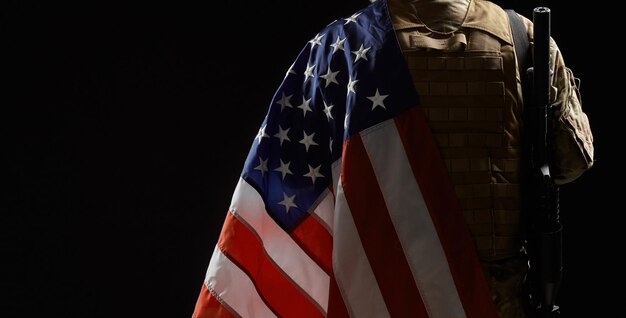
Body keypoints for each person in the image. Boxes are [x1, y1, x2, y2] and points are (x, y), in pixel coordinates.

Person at [193, 1, 594, 317]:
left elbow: (287, 196)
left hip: (384, 299)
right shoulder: (523, 38)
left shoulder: (342, 49)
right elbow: (572, 160)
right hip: (499, 303)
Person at [388, 0, 594, 317]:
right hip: (495, 297)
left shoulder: (351, 44)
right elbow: (572, 162)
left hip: (385, 287)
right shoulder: (524, 36)